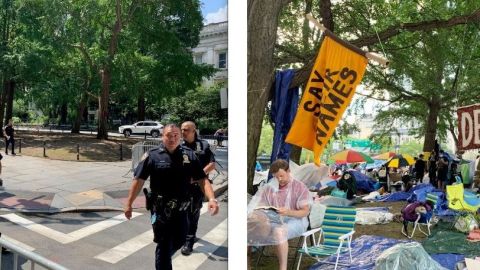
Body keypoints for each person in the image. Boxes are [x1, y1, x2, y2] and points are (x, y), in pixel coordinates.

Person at [124, 124, 219, 270]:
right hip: (161, 209)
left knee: (180, 239)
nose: (172, 138)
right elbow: (138, 180)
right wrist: (129, 203)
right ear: (162, 136)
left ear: (180, 137)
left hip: (182, 208)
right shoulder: (152, 155)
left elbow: (202, 179)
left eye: (176, 135)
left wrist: (211, 198)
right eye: (169, 135)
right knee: (164, 244)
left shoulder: (189, 155)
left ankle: (166, 253)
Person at [247, 159, 311, 270]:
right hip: (274, 218)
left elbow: (305, 212)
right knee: (249, 224)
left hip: (295, 219)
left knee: (279, 231)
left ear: (289, 171)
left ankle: (283, 268)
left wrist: (288, 212)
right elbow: (260, 205)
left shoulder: (299, 187)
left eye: (281, 176)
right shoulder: (270, 186)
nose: (279, 179)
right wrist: (259, 214)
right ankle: (246, 263)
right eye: (276, 177)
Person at [180, 121, 216, 256]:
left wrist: (197, 176)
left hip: (197, 186)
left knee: (193, 213)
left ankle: (189, 241)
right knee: (180, 212)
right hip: (181, 186)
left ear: (194, 131)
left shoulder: (203, 145)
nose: (183, 132)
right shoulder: (178, 145)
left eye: (187, 130)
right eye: (182, 129)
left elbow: (212, 164)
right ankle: (183, 235)